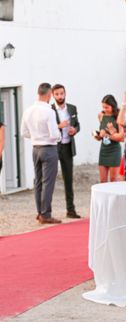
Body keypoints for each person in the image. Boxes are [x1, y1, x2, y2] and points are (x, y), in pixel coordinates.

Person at [20, 82, 62, 224]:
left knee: (38, 181)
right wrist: (60, 135)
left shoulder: (28, 110)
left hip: (35, 148)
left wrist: (35, 136)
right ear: (49, 95)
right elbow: (54, 134)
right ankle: (46, 214)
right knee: (48, 182)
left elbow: (23, 132)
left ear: (38, 93)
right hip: (49, 148)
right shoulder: (49, 111)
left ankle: (39, 212)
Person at [51, 84, 81, 218]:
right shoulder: (50, 110)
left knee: (68, 179)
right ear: (53, 95)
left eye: (61, 93)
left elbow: (77, 124)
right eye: (57, 94)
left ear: (65, 93)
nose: (60, 96)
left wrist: (74, 130)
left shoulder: (72, 108)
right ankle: (47, 212)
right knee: (50, 179)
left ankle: (71, 210)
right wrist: (59, 126)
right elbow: (47, 128)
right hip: (54, 147)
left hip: (68, 146)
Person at [93, 94, 125, 183]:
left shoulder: (118, 117)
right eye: (103, 107)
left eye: (107, 107)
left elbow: (121, 138)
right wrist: (98, 135)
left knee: (113, 180)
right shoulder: (101, 115)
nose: (104, 109)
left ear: (113, 106)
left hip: (114, 151)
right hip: (103, 150)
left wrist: (108, 135)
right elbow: (100, 137)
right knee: (102, 180)